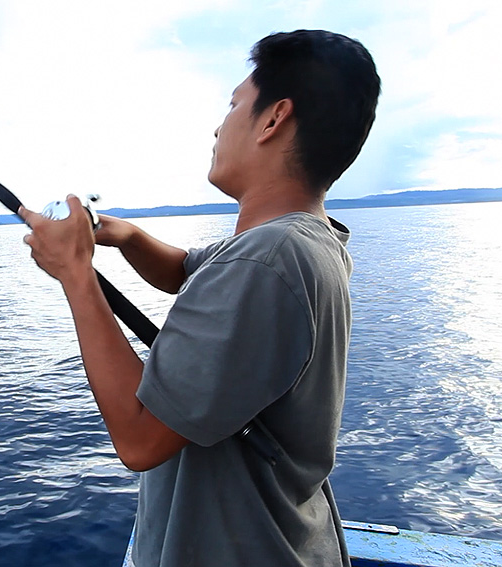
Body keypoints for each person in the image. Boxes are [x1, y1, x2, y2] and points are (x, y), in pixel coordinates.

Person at [19, 29, 380, 566]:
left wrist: (74, 272)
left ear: (273, 119)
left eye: (234, 104)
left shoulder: (268, 260)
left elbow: (140, 440)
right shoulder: (300, 240)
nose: (219, 124)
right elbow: (184, 271)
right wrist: (120, 234)